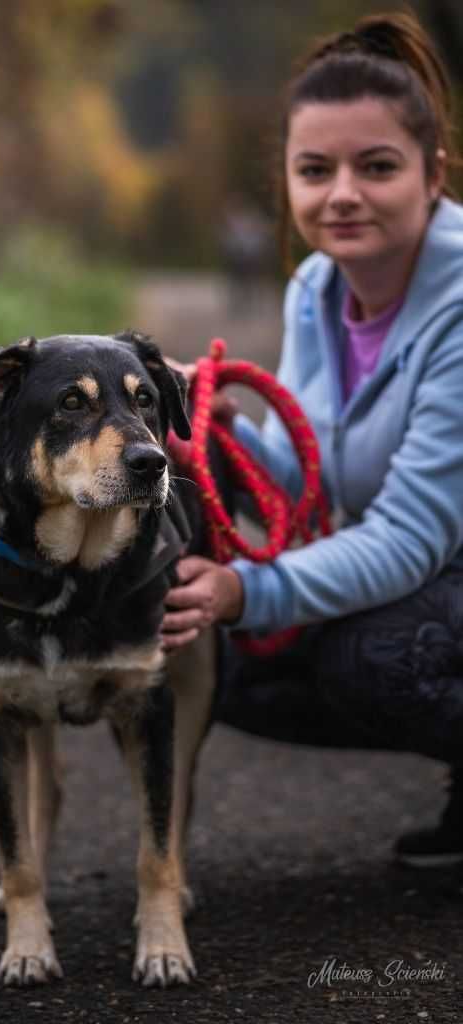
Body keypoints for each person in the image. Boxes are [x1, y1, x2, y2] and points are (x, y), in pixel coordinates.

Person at [162, 11, 463, 868]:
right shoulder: (314, 290)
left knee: (372, 656)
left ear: (431, 174)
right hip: (443, 576)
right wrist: (220, 425)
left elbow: (410, 536)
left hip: (440, 568)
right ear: (287, 181)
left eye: (377, 167)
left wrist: (242, 587)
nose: (342, 194)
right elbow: (310, 471)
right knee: (219, 659)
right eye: (315, 169)